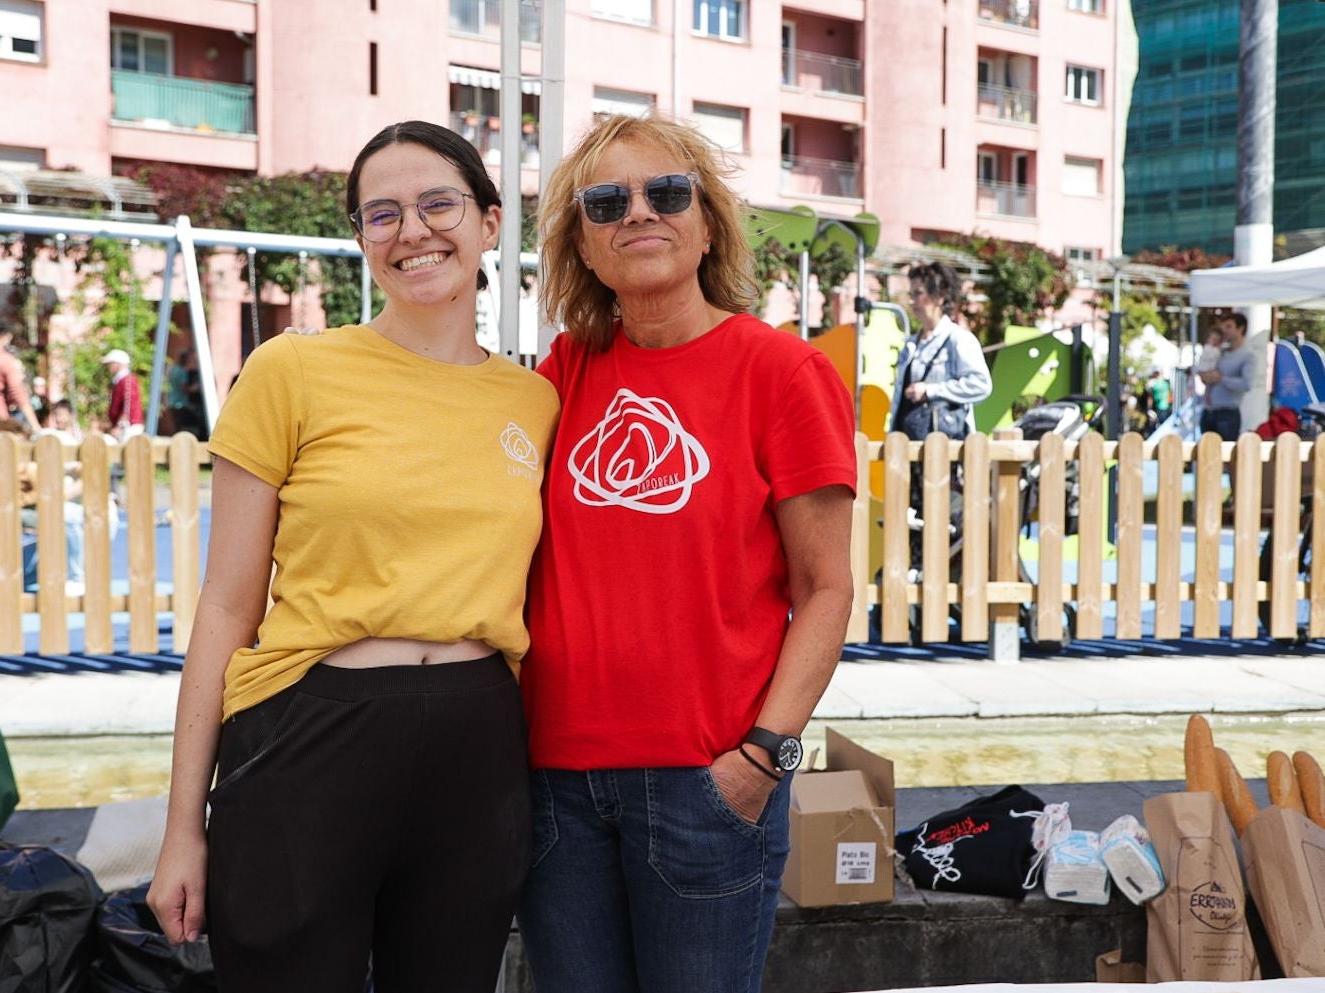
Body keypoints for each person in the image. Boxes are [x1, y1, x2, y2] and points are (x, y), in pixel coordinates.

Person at [146, 120, 558, 993]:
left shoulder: (534, 398)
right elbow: (226, 605)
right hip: (308, 732)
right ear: (362, 238)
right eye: (382, 214)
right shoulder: (292, 370)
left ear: (490, 223)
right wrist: (184, 825)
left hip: (476, 744)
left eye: (437, 203)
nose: (412, 231)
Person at [519, 113, 857, 993]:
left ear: (707, 224)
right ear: (583, 248)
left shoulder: (783, 373)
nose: (639, 213)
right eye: (606, 203)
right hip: (555, 784)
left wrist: (761, 759)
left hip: (706, 782)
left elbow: (826, 588)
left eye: (666, 193)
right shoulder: (561, 374)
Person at [888, 261, 993, 440]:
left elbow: (981, 385)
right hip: (907, 442)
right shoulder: (911, 343)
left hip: (945, 446)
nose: (912, 301)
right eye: (911, 294)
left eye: (918, 293)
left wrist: (931, 391)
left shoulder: (958, 339)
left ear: (940, 296)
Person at [1198, 312, 1255, 441]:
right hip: (1209, 410)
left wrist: (1221, 378)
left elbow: (1246, 384)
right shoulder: (1220, 352)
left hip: (1228, 413)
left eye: (1229, 326)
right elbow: (1206, 373)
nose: (1224, 331)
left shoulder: (1248, 355)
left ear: (1240, 329)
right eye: (1223, 327)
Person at [102, 348, 144, 440]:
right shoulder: (121, 380)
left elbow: (129, 405)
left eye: (110, 364)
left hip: (128, 427)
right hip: (124, 427)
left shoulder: (127, 381)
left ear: (117, 364)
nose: (109, 367)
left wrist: (119, 426)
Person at [165, 348, 205, 439]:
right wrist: (195, 388)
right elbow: (184, 388)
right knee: (184, 429)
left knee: (177, 427)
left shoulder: (173, 369)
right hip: (180, 403)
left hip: (171, 402)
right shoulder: (181, 371)